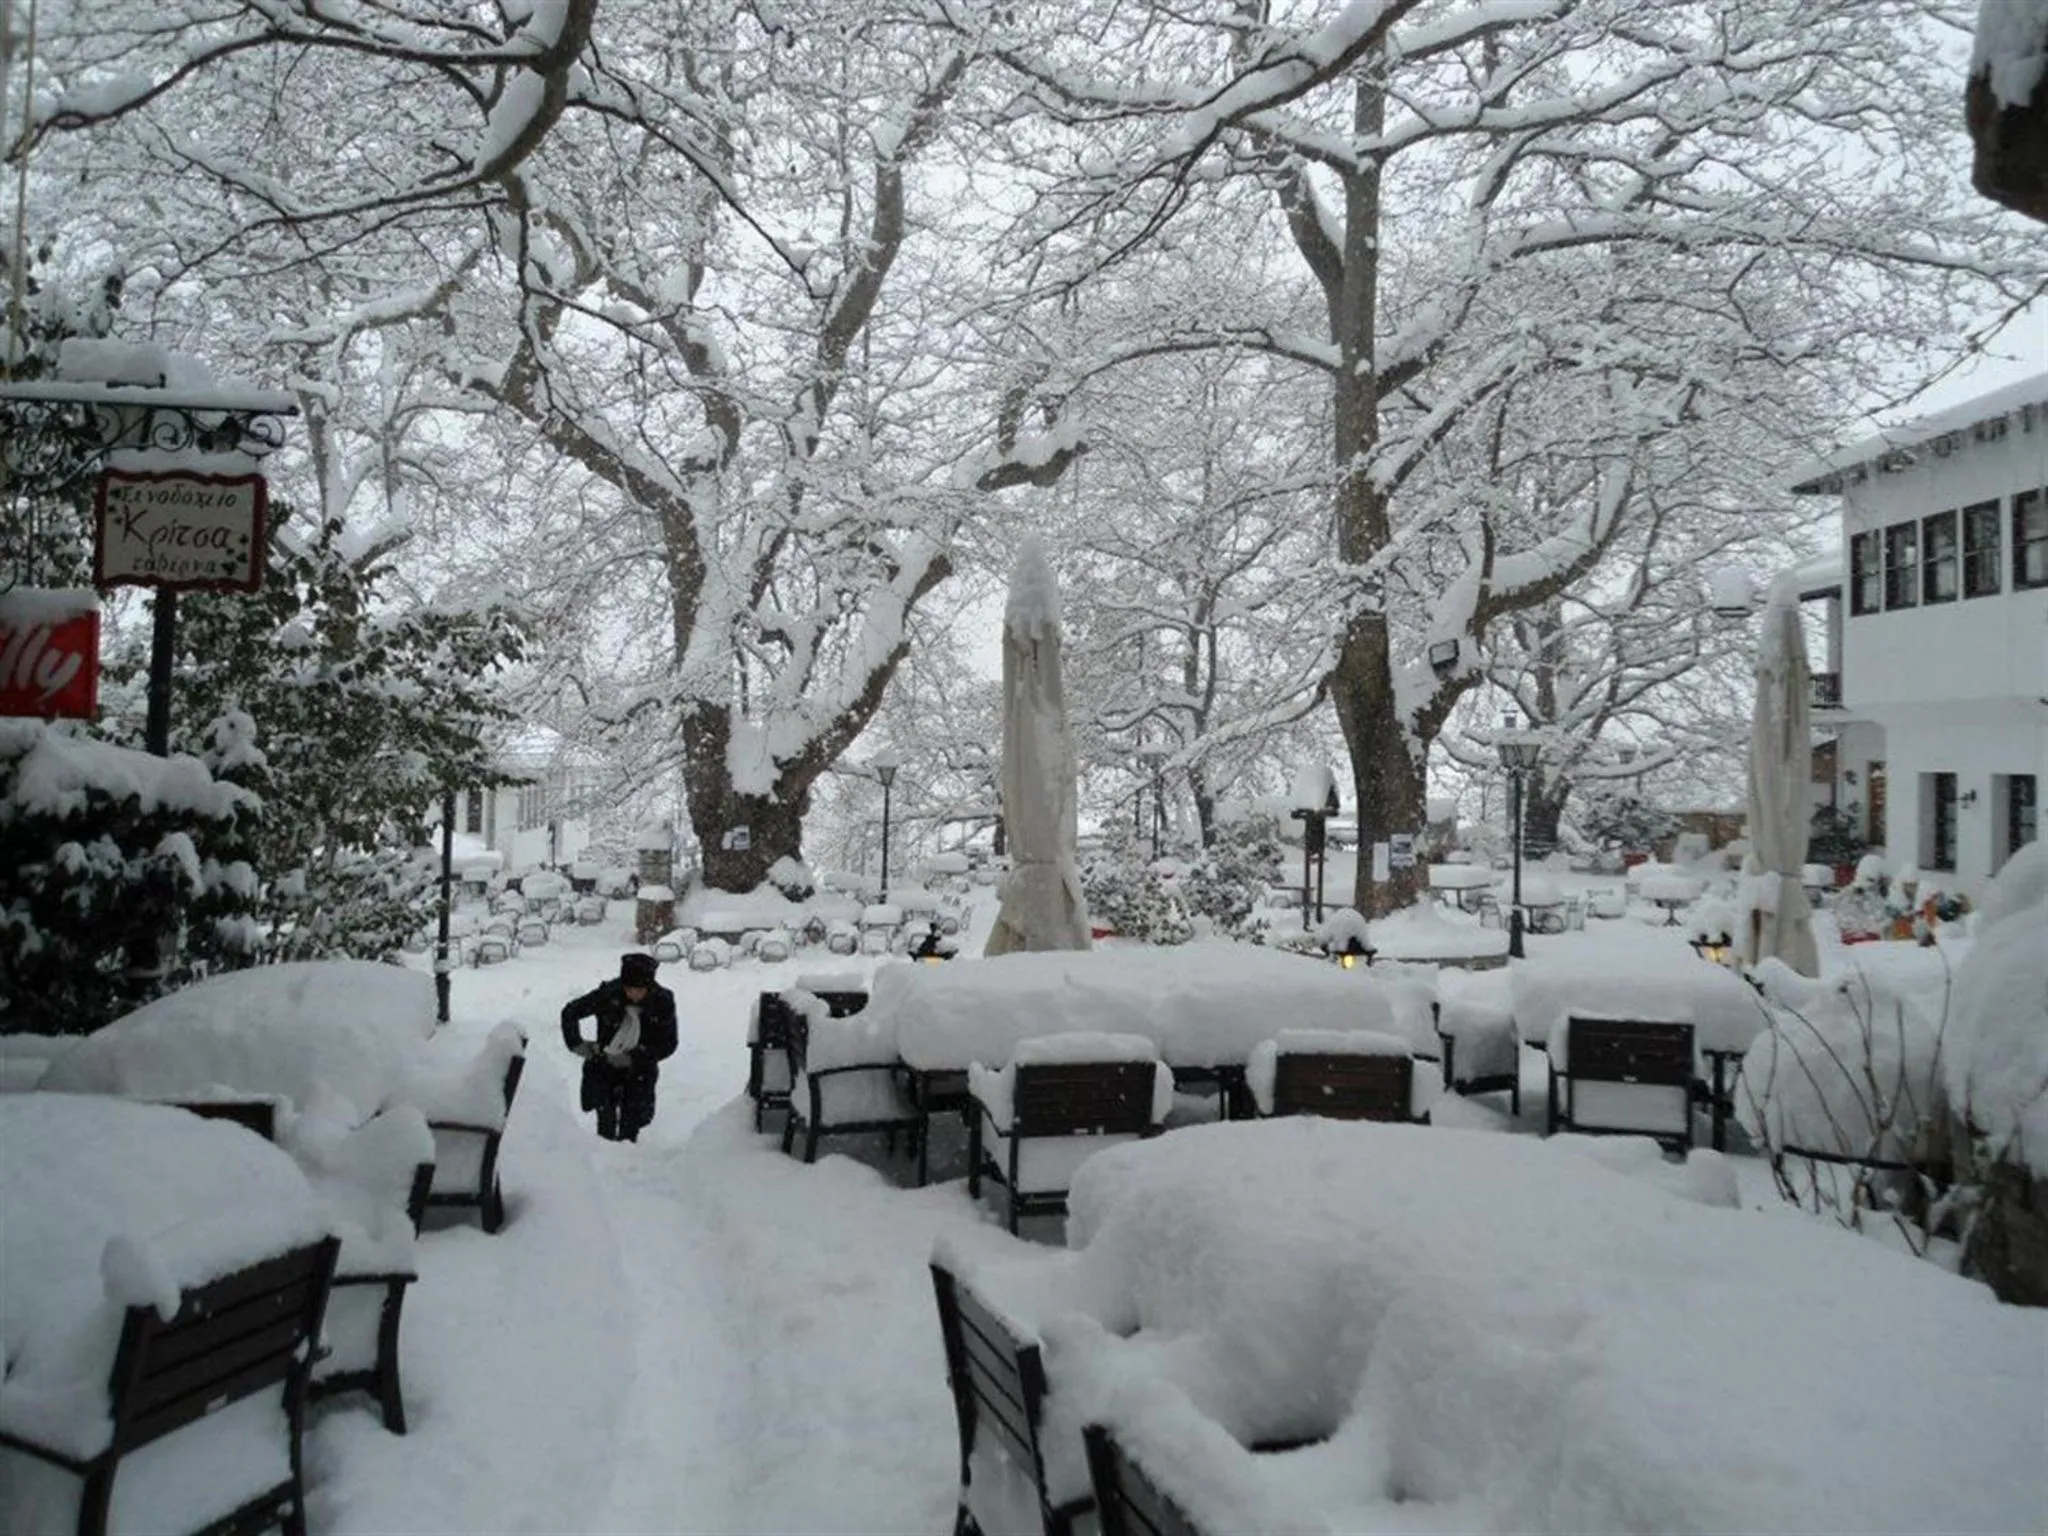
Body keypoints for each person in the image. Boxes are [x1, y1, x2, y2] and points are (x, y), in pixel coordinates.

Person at [561, 952, 678, 1142]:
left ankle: (626, 1158)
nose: (634, 994)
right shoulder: (608, 995)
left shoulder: (662, 1002)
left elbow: (668, 1043)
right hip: (604, 1067)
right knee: (605, 1124)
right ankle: (603, 1158)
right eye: (629, 989)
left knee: (631, 1126)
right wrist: (577, 1044)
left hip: (639, 1071)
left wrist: (636, 1057)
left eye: (640, 990)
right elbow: (570, 1012)